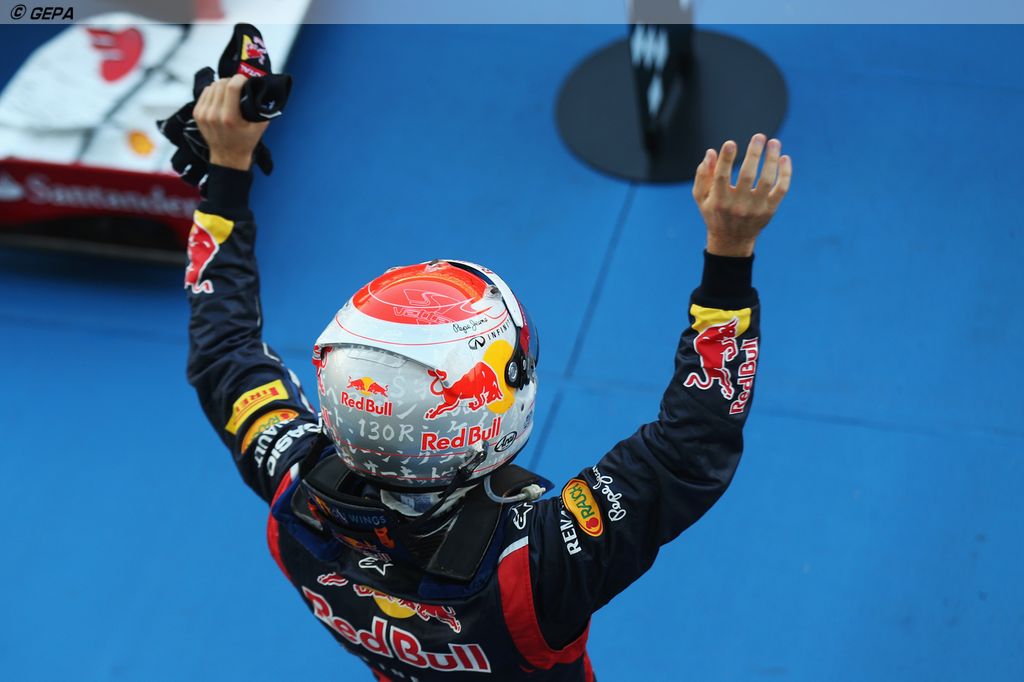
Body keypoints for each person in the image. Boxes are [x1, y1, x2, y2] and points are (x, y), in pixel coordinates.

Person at [185, 74, 791, 681]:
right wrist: (730, 253)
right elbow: (691, 447)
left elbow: (224, 351)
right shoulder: (538, 567)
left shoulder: (290, 486)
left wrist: (226, 168)